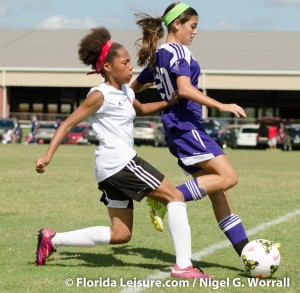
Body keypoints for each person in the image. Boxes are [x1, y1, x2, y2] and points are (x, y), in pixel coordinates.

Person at [35, 27, 212, 279]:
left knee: (120, 234)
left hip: (109, 169)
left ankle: (53, 240)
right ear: (108, 67)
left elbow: (140, 109)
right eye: (125, 62)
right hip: (120, 163)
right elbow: (68, 123)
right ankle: (183, 266)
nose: (131, 68)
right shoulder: (100, 95)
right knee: (175, 197)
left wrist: (169, 102)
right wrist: (47, 157)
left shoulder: (127, 92)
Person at [131, 2, 249, 257]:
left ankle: (247, 254)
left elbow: (132, 88)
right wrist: (222, 105)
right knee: (229, 177)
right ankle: (165, 197)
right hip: (187, 128)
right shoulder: (179, 52)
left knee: (220, 193)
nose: (195, 32)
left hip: (178, 131)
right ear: (177, 24)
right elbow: (184, 89)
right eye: (192, 26)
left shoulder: (160, 55)